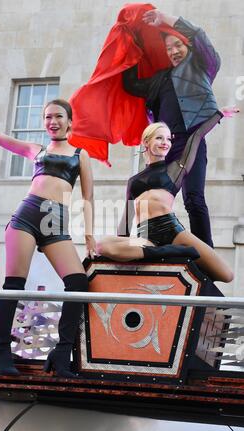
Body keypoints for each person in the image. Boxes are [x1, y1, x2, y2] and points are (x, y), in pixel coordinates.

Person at [0, 99, 96, 378]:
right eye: (47, 117)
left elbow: (88, 198)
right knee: (14, 284)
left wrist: (89, 237)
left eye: (58, 116)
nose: (53, 121)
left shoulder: (79, 154)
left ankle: (61, 353)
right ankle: (2, 353)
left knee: (77, 282)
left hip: (54, 221)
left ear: (70, 121)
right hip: (26, 216)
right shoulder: (36, 151)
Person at [96, 107, 239, 283]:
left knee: (227, 274)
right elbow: (126, 223)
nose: (165, 142)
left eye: (168, 139)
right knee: (102, 245)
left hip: (173, 231)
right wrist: (121, 247)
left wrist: (218, 114)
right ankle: (173, 251)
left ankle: (173, 248)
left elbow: (196, 137)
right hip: (146, 238)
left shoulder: (175, 170)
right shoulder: (134, 181)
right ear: (146, 142)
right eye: (159, 138)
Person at [123, 8, 221, 248]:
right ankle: (141, 243)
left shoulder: (202, 68)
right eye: (169, 48)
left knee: (194, 199)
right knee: (150, 197)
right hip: (164, 147)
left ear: (187, 46)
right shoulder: (159, 79)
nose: (174, 51)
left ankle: (205, 255)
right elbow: (131, 85)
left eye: (178, 45)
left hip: (192, 143)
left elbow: (200, 37)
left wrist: (167, 19)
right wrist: (130, 44)